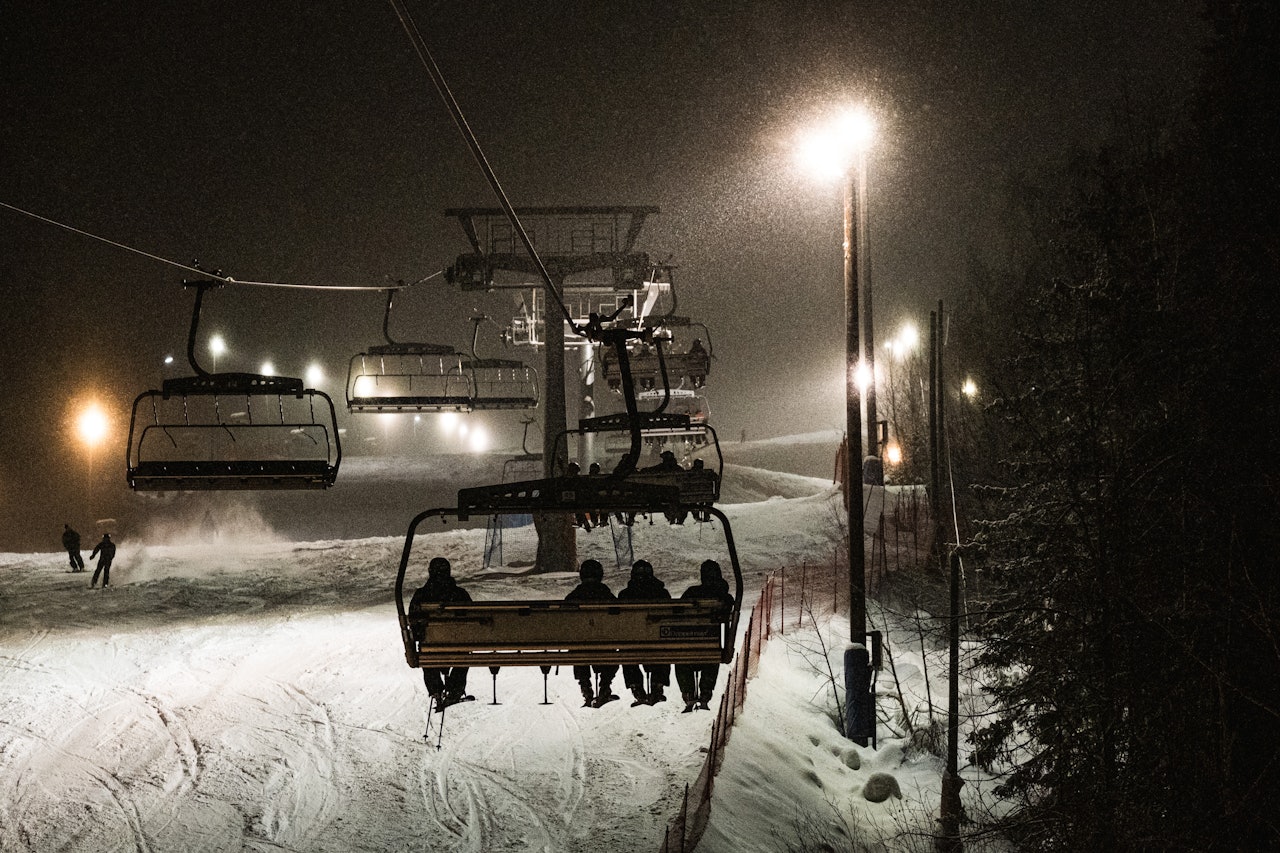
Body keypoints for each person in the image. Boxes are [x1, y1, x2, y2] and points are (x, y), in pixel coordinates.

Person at [409, 557, 474, 709]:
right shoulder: (460, 594)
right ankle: (455, 690)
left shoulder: (421, 595)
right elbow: (473, 619)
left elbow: (413, 620)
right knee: (463, 655)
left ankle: (436, 689)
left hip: (431, 645)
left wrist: (418, 636)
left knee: (427, 651)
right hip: (458, 644)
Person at [675, 559, 736, 713]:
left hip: (688, 641)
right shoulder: (723, 596)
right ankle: (705, 693)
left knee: (681, 659)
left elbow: (677, 611)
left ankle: (688, 693)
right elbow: (729, 607)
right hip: (710, 640)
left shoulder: (692, 592)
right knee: (711, 657)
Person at [564, 559, 619, 707]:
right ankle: (605, 685)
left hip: (581, 643)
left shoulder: (573, 596)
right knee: (613, 651)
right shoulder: (606, 594)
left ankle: (585, 687)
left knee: (577, 650)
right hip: (604, 642)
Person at [618, 559, 672, 705]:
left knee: (626, 649)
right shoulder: (662, 594)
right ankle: (658, 683)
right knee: (663, 645)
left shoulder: (625, 595)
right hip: (657, 641)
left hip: (632, 642)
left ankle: (635, 684)